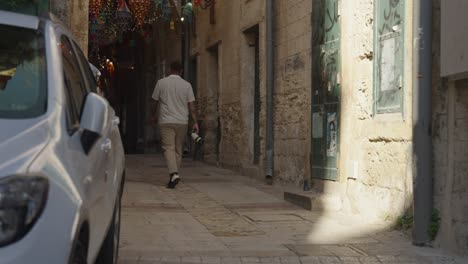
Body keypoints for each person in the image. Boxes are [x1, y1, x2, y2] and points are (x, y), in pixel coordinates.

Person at [152, 61, 199, 189]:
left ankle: (173, 173)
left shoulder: (161, 83)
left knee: (168, 147)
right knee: (178, 148)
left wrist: (153, 116)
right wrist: (195, 122)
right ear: (181, 71)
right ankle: (174, 174)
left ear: (169, 69)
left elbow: (155, 102)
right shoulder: (187, 85)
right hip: (182, 121)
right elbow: (192, 106)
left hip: (166, 121)